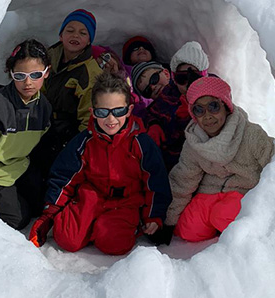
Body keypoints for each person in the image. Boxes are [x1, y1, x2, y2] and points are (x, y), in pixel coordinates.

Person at [29, 73, 172, 255]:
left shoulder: (141, 143)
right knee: (67, 239)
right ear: (93, 112)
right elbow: (64, 178)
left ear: (129, 110)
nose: (111, 120)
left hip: (126, 201)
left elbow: (156, 181)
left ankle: (111, 227)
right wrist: (50, 214)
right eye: (103, 112)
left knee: (114, 243)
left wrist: (153, 215)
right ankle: (89, 225)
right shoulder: (84, 142)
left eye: (118, 111)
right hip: (92, 197)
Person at [164, 77, 275, 242]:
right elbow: (183, 180)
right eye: (199, 110)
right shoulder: (194, 142)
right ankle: (217, 227)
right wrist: (169, 221)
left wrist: (273, 204)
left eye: (213, 106)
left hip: (244, 190)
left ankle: (241, 235)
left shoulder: (250, 134)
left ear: (226, 107)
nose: (207, 115)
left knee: (223, 215)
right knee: (187, 229)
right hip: (210, 191)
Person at [0, 39, 52, 230]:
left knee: (40, 207)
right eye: (20, 75)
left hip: (20, 167)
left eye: (35, 75)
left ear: (46, 72)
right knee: (18, 219)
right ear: (11, 74)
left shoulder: (44, 107)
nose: (28, 82)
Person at [32, 9, 103, 173]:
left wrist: (78, 148)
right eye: (70, 30)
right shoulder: (47, 58)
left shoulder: (89, 73)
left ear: (88, 41)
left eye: (83, 33)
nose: (75, 36)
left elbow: (89, 116)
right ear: (61, 36)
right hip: (39, 119)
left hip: (65, 132)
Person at [144, 41, 210, 171]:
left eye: (194, 76)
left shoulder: (213, 92)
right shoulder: (170, 94)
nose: (187, 84)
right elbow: (150, 113)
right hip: (172, 162)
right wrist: (153, 124)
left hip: (204, 160)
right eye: (181, 78)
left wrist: (191, 116)